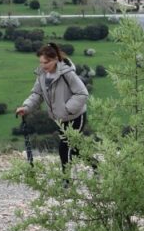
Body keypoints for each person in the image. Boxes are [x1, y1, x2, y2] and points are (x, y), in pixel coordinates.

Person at [16, 42, 90, 170]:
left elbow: (82, 93)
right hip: (61, 119)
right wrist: (26, 107)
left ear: (55, 59)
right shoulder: (42, 75)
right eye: (41, 62)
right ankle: (96, 166)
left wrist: (67, 109)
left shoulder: (67, 74)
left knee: (64, 147)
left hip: (76, 116)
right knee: (75, 149)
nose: (43, 65)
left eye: (46, 62)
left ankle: (66, 179)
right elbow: (37, 94)